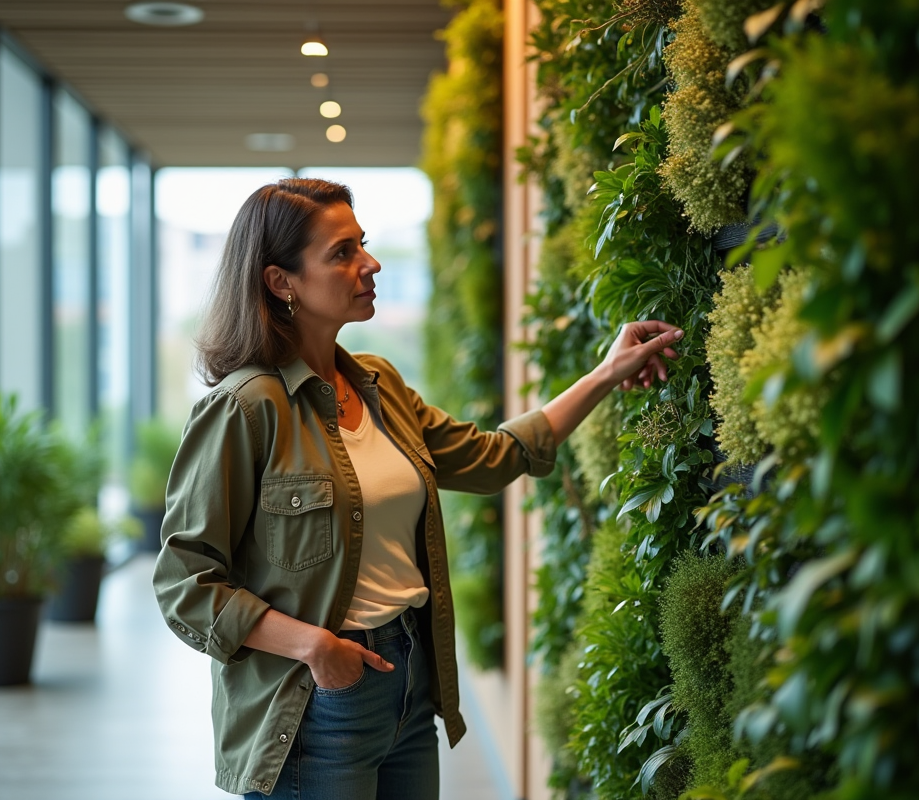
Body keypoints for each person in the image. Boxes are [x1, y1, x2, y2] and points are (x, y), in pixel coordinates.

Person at [152, 178, 684, 799]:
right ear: (281, 282)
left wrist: (606, 372)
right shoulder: (246, 408)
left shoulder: (379, 384)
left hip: (409, 684)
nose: (369, 264)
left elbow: (493, 457)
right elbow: (184, 582)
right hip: (314, 702)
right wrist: (317, 647)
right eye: (342, 253)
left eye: (364, 244)